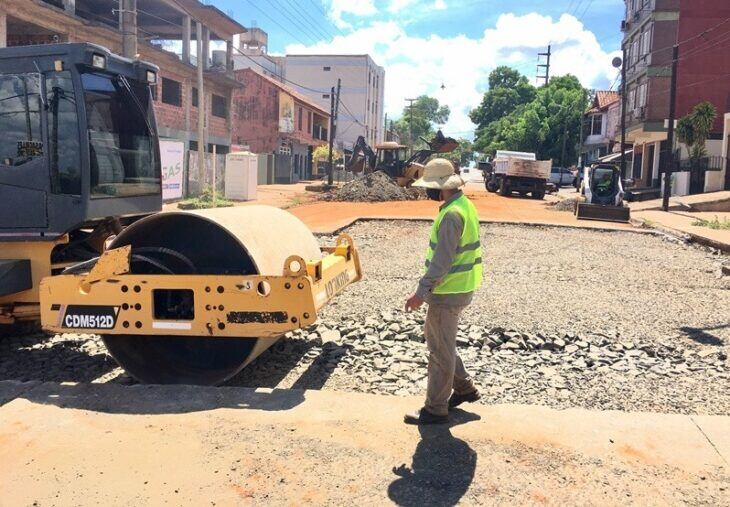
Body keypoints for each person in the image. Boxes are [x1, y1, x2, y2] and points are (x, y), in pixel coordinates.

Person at [403, 158, 483, 425]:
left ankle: (436, 408)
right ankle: (464, 388)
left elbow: (441, 262)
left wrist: (420, 293)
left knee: (439, 349)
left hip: (448, 292)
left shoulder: (451, 215)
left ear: (441, 186)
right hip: (461, 287)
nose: (427, 191)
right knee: (441, 341)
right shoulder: (464, 205)